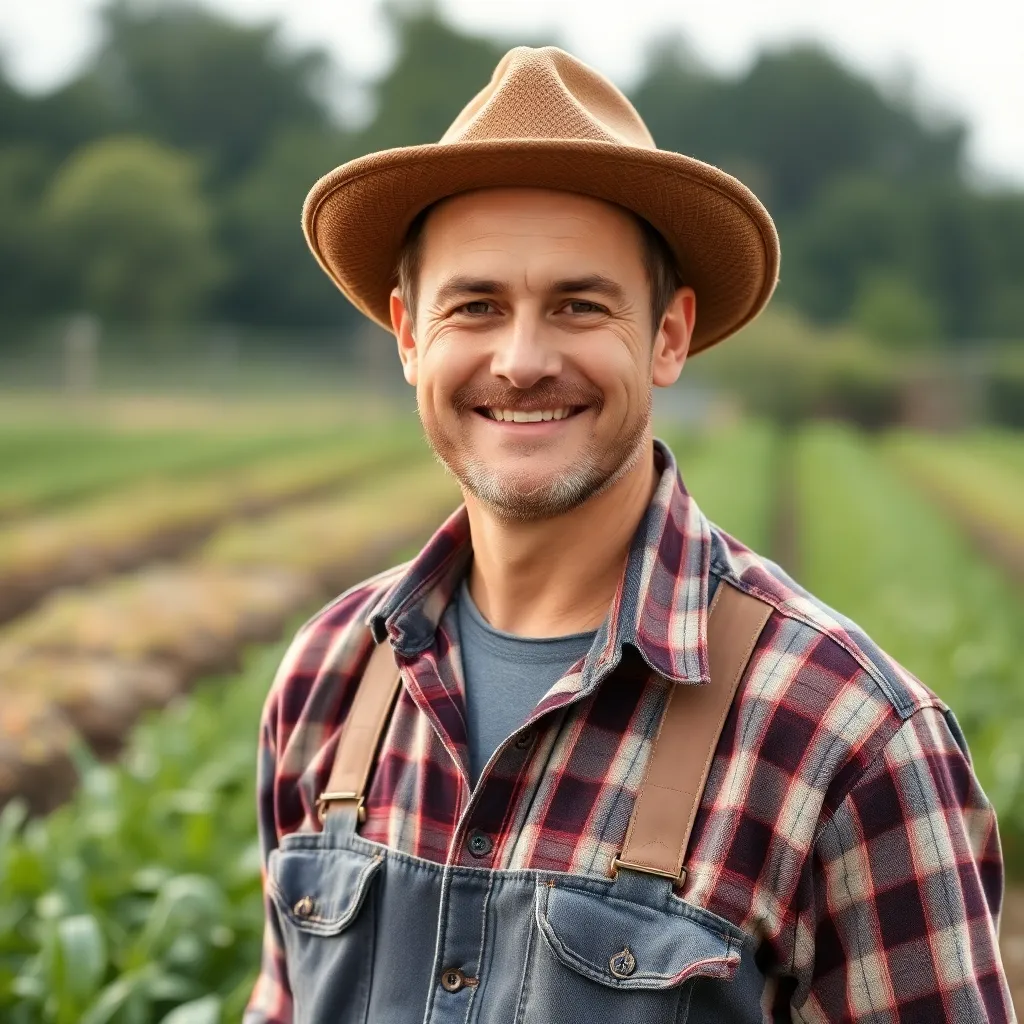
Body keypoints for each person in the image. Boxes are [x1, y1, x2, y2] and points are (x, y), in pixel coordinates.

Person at [245, 46, 1013, 1023]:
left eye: (578, 305)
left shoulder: (848, 741)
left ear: (668, 336)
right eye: (475, 306)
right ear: (407, 335)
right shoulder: (327, 680)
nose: (521, 360)